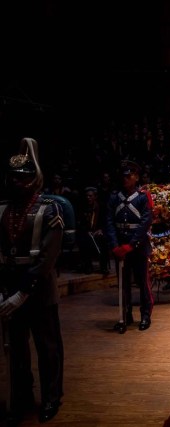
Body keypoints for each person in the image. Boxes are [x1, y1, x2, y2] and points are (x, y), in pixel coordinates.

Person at [0, 137, 65, 424]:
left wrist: (22, 292)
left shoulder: (49, 209)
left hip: (38, 290)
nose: (19, 182)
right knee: (16, 350)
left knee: (47, 347)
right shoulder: (2, 210)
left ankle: (52, 397)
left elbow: (46, 259)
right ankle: (22, 396)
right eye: (15, 177)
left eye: (24, 177)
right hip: (8, 286)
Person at [105, 160, 154, 332]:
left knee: (142, 282)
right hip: (120, 245)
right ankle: (125, 314)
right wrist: (115, 245)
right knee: (123, 283)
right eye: (123, 176)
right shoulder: (114, 196)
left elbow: (145, 222)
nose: (125, 179)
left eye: (129, 176)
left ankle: (145, 314)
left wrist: (131, 245)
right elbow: (109, 222)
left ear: (136, 177)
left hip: (138, 246)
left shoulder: (142, 196)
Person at [75, 186, 110, 275]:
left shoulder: (101, 207)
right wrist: (86, 231)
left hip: (98, 231)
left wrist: (101, 230)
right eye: (87, 196)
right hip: (87, 232)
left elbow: (106, 222)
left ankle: (104, 267)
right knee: (83, 240)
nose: (88, 198)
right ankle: (88, 266)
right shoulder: (82, 207)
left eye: (90, 196)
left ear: (95, 197)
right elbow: (79, 223)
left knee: (104, 241)